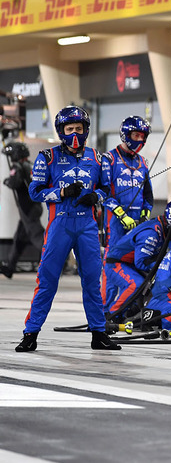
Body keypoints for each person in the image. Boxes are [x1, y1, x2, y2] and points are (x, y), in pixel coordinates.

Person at [16, 105, 119, 352]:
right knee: (47, 280)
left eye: (79, 128)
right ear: (61, 130)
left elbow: (106, 189)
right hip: (59, 225)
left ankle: (99, 333)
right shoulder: (47, 157)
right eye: (69, 128)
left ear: (86, 130)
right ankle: (30, 333)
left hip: (87, 227)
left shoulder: (99, 158)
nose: (74, 133)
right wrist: (61, 192)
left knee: (93, 281)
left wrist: (95, 197)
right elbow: (34, 192)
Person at [102, 200, 171, 318]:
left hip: (131, 265)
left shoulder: (165, 229)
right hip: (116, 264)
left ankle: (135, 313)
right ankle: (112, 315)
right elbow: (142, 262)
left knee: (158, 281)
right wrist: (165, 266)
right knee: (136, 284)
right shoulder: (151, 233)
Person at [101, 116, 153, 293]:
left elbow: (148, 194)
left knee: (135, 263)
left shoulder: (143, 162)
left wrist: (145, 216)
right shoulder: (109, 159)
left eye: (142, 136)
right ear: (125, 134)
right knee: (112, 263)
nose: (140, 140)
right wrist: (121, 214)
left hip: (138, 223)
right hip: (115, 223)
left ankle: (127, 308)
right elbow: (104, 193)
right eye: (136, 135)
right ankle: (106, 311)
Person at [1, 141, 44, 279]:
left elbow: (15, 182)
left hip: (27, 208)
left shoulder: (17, 166)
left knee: (38, 237)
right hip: (35, 206)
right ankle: (10, 267)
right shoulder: (31, 165)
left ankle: (55, 261)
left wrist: (7, 181)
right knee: (19, 238)